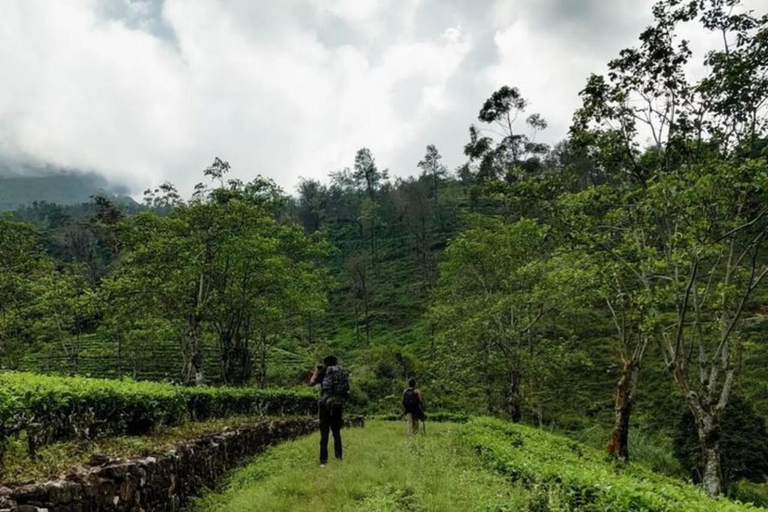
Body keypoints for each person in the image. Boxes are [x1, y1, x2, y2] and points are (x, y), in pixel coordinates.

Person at [309, 355, 349, 466]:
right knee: (336, 433)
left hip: (325, 405)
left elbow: (311, 383)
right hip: (338, 404)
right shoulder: (340, 372)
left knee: (324, 433)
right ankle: (339, 457)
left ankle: (323, 461)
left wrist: (316, 372)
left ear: (325, 363)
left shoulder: (323, 372)